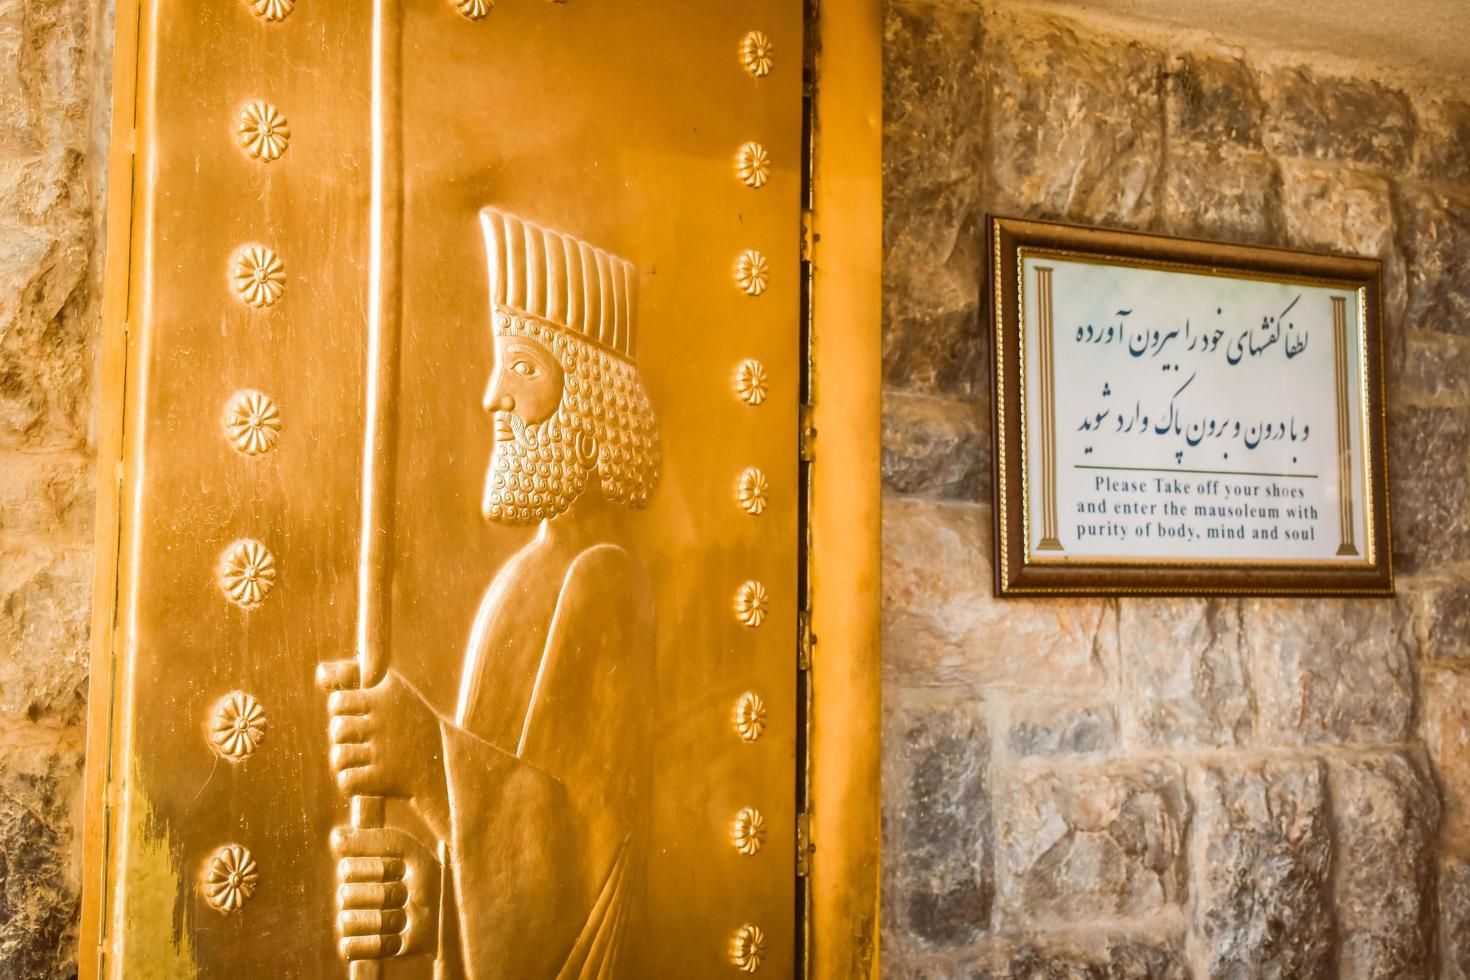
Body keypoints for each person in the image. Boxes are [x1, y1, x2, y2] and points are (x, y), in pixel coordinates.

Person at [317, 209, 660, 978]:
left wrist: (425, 754)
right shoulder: (527, 577)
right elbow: (516, 879)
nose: (492, 397)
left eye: (524, 367)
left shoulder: (602, 579)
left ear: (593, 397)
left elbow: (580, 862)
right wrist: (422, 890)